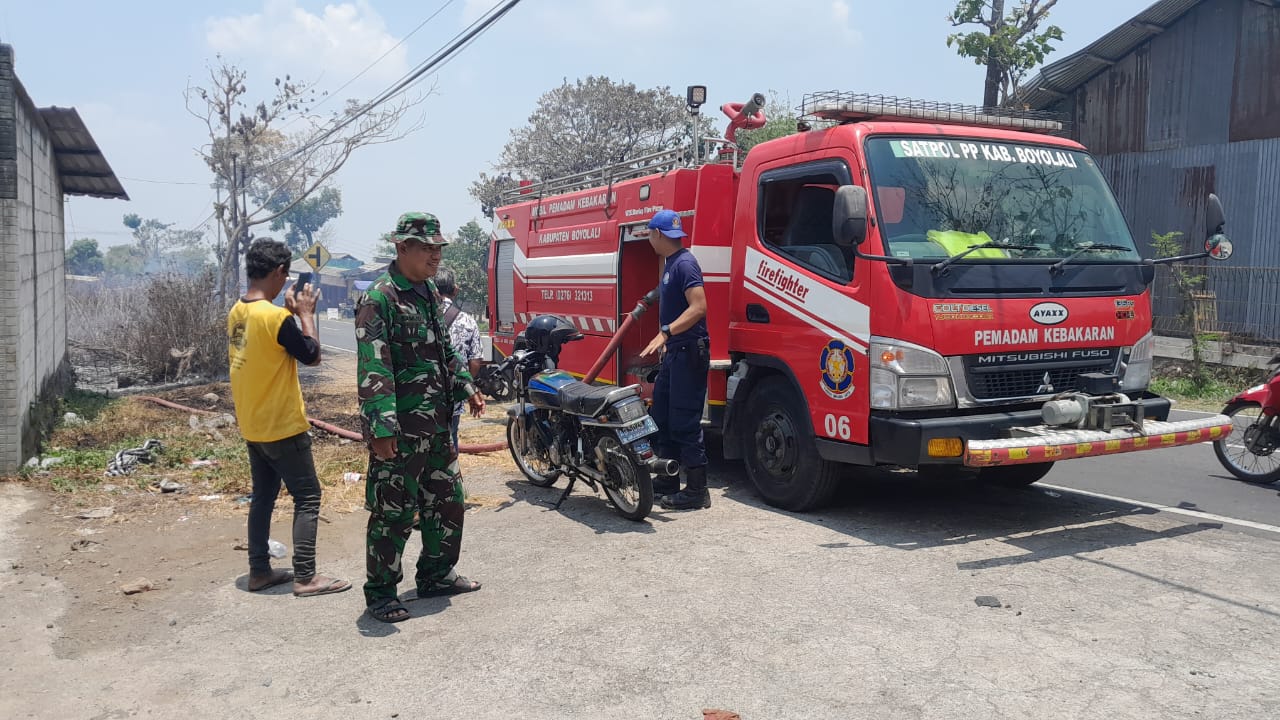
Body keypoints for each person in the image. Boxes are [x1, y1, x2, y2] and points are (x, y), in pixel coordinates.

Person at [356, 211, 486, 623]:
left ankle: (435, 575)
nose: (434, 256)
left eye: (437, 249)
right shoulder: (380, 298)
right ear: (402, 248)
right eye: (427, 249)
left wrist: (467, 385)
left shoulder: (427, 291)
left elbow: (445, 351)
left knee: (448, 502)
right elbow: (373, 367)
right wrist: (380, 428)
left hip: (436, 426)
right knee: (393, 513)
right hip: (400, 430)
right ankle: (380, 594)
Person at [227, 238, 350, 597]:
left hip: (252, 422)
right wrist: (306, 314)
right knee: (308, 495)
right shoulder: (275, 317)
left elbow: (271, 345)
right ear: (280, 272)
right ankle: (306, 576)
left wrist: (289, 316)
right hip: (281, 422)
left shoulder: (238, 311)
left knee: (262, 496)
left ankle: (259, 571)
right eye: (286, 276)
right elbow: (311, 355)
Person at [638, 209, 711, 511]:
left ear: (657, 234)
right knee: (663, 419)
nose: (648, 239)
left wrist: (666, 333)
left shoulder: (685, 264)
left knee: (684, 421)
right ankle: (667, 480)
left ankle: (697, 490)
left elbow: (699, 307)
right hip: (675, 353)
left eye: (649, 234)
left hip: (688, 352)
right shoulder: (671, 263)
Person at [434, 266, 486, 450]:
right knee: (450, 439)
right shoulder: (468, 321)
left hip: (424, 395)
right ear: (455, 290)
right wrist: (466, 388)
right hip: (454, 393)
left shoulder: (424, 315)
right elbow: (475, 361)